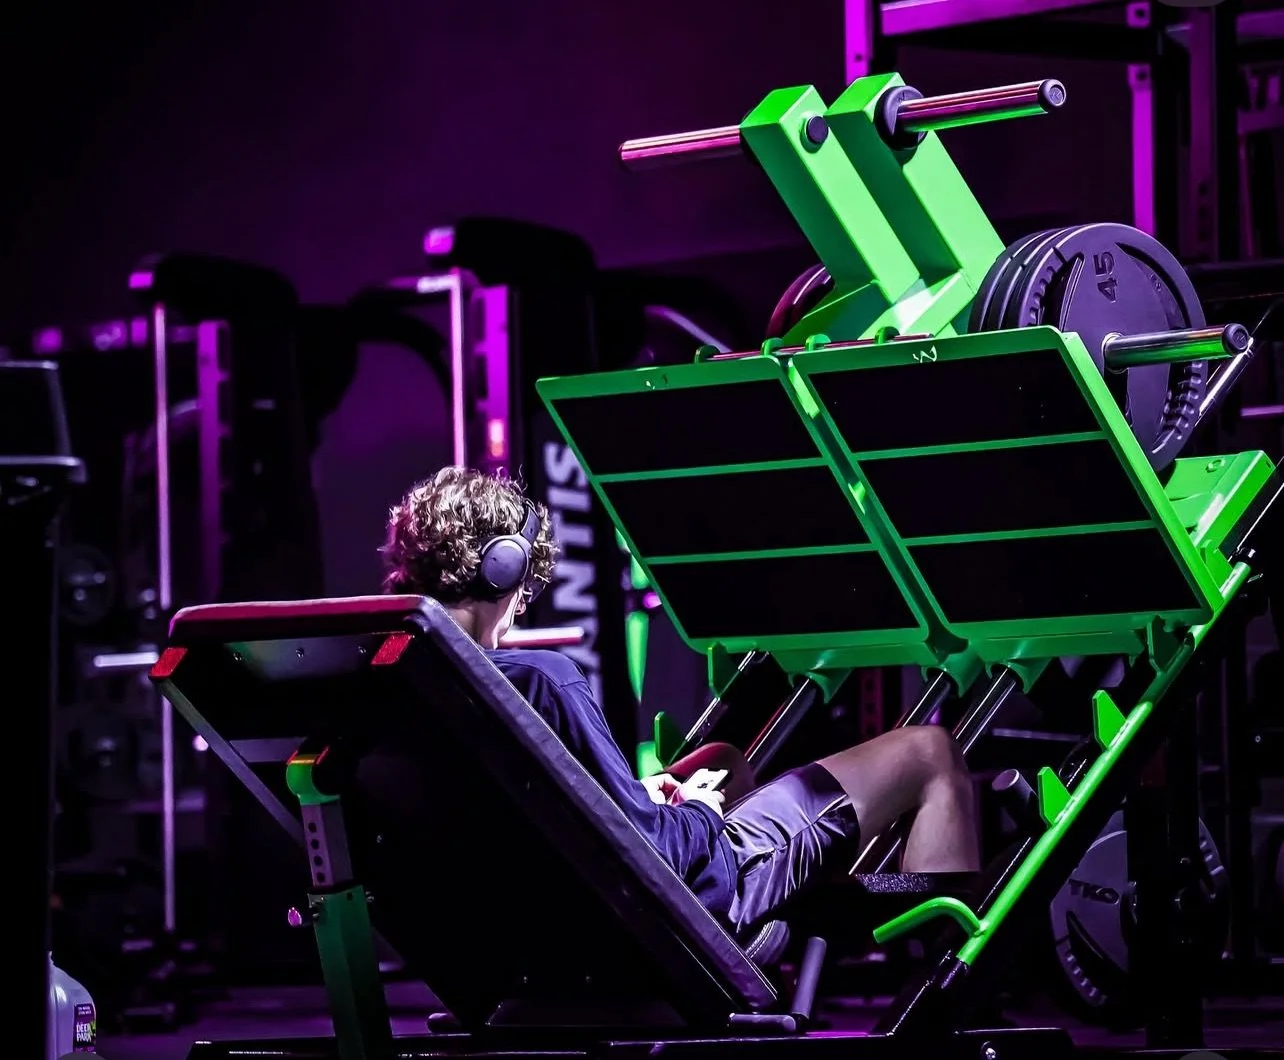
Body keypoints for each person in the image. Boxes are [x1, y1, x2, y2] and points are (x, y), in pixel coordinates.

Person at [381, 466, 979, 936]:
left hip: (527, 925)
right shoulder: (542, 681)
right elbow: (653, 853)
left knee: (724, 760)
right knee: (929, 751)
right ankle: (937, 999)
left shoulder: (392, 683)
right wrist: (699, 812)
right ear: (500, 566)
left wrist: (637, 795)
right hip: (669, 908)